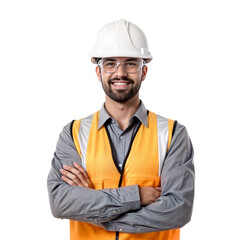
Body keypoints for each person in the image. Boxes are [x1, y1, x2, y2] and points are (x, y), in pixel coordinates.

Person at [47, 19, 195, 240]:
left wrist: (97, 211)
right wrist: (135, 196)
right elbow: (61, 203)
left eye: (131, 63)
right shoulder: (74, 134)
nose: (121, 72)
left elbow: (177, 209)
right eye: (110, 63)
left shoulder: (172, 134)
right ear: (99, 72)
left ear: (144, 72)